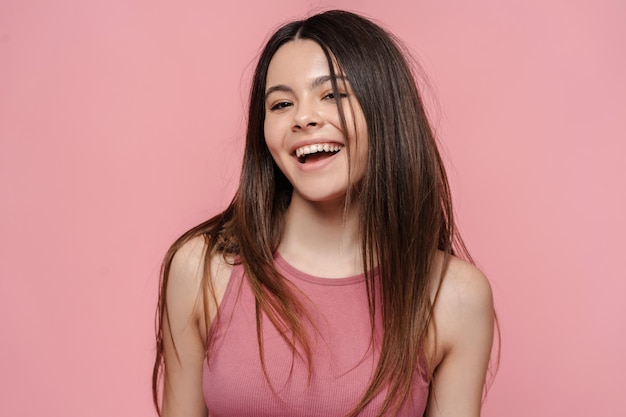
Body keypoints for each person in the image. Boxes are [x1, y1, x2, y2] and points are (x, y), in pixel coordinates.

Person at [152, 9, 496, 417]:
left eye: (332, 94)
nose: (302, 118)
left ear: (385, 110)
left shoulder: (452, 297)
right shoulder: (202, 270)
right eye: (280, 104)